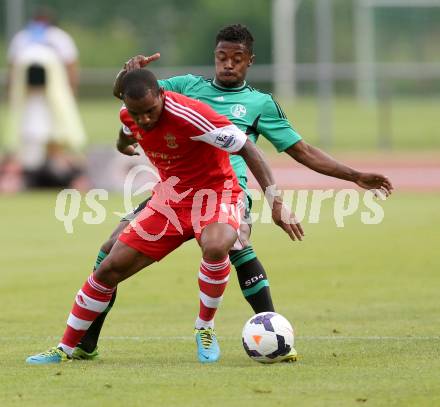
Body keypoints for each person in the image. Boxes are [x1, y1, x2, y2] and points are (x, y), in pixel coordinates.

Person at [72, 24, 393, 362]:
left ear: (249, 62)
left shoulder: (259, 103)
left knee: (234, 243)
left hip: (226, 190)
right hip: (174, 190)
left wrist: (354, 176)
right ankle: (87, 340)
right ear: (215, 57)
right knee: (109, 250)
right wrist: (128, 72)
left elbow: (303, 150)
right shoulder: (186, 86)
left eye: (236, 59)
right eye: (222, 57)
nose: (228, 64)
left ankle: (276, 335)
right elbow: (129, 95)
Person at [26, 68, 303, 365]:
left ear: (162, 95)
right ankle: (64, 349)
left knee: (217, 244)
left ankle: (204, 328)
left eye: (149, 111)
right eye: (137, 113)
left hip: (216, 193)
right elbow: (126, 132)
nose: (144, 118)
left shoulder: (192, 115)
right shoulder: (131, 115)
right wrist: (123, 145)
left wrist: (276, 203)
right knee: (109, 269)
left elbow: (248, 149)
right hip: (170, 199)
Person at [1, 7, 87, 192]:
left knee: (53, 135)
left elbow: (69, 65)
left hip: (53, 97)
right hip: (29, 97)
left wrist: (69, 92)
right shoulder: (26, 39)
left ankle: (55, 170)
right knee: (32, 136)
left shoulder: (52, 39)